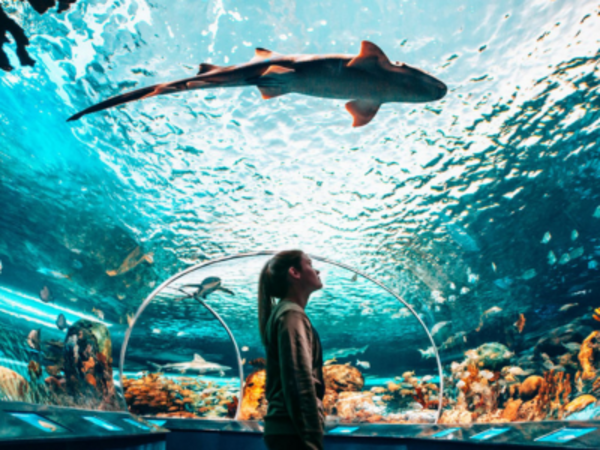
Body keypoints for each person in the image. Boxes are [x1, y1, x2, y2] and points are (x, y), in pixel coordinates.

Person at [258, 250, 325, 450]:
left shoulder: (284, 313)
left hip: (287, 430)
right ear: (294, 273)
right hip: (293, 433)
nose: (317, 270)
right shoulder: (291, 315)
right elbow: (298, 382)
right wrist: (312, 438)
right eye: (310, 265)